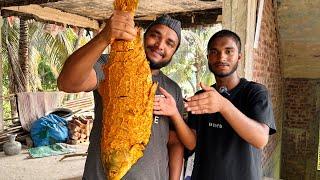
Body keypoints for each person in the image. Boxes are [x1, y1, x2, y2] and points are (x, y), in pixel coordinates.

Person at [57, 11, 185, 180]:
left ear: (173, 52)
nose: (160, 45)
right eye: (155, 35)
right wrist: (104, 37)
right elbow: (67, 83)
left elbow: (175, 142)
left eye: (170, 43)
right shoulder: (111, 65)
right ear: (144, 36)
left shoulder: (172, 89)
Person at [159, 29, 277, 180]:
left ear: (239, 57)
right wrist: (175, 113)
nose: (221, 57)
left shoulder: (254, 92)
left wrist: (223, 105)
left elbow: (260, 139)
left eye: (229, 51)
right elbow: (191, 143)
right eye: (214, 52)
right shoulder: (201, 97)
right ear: (208, 57)